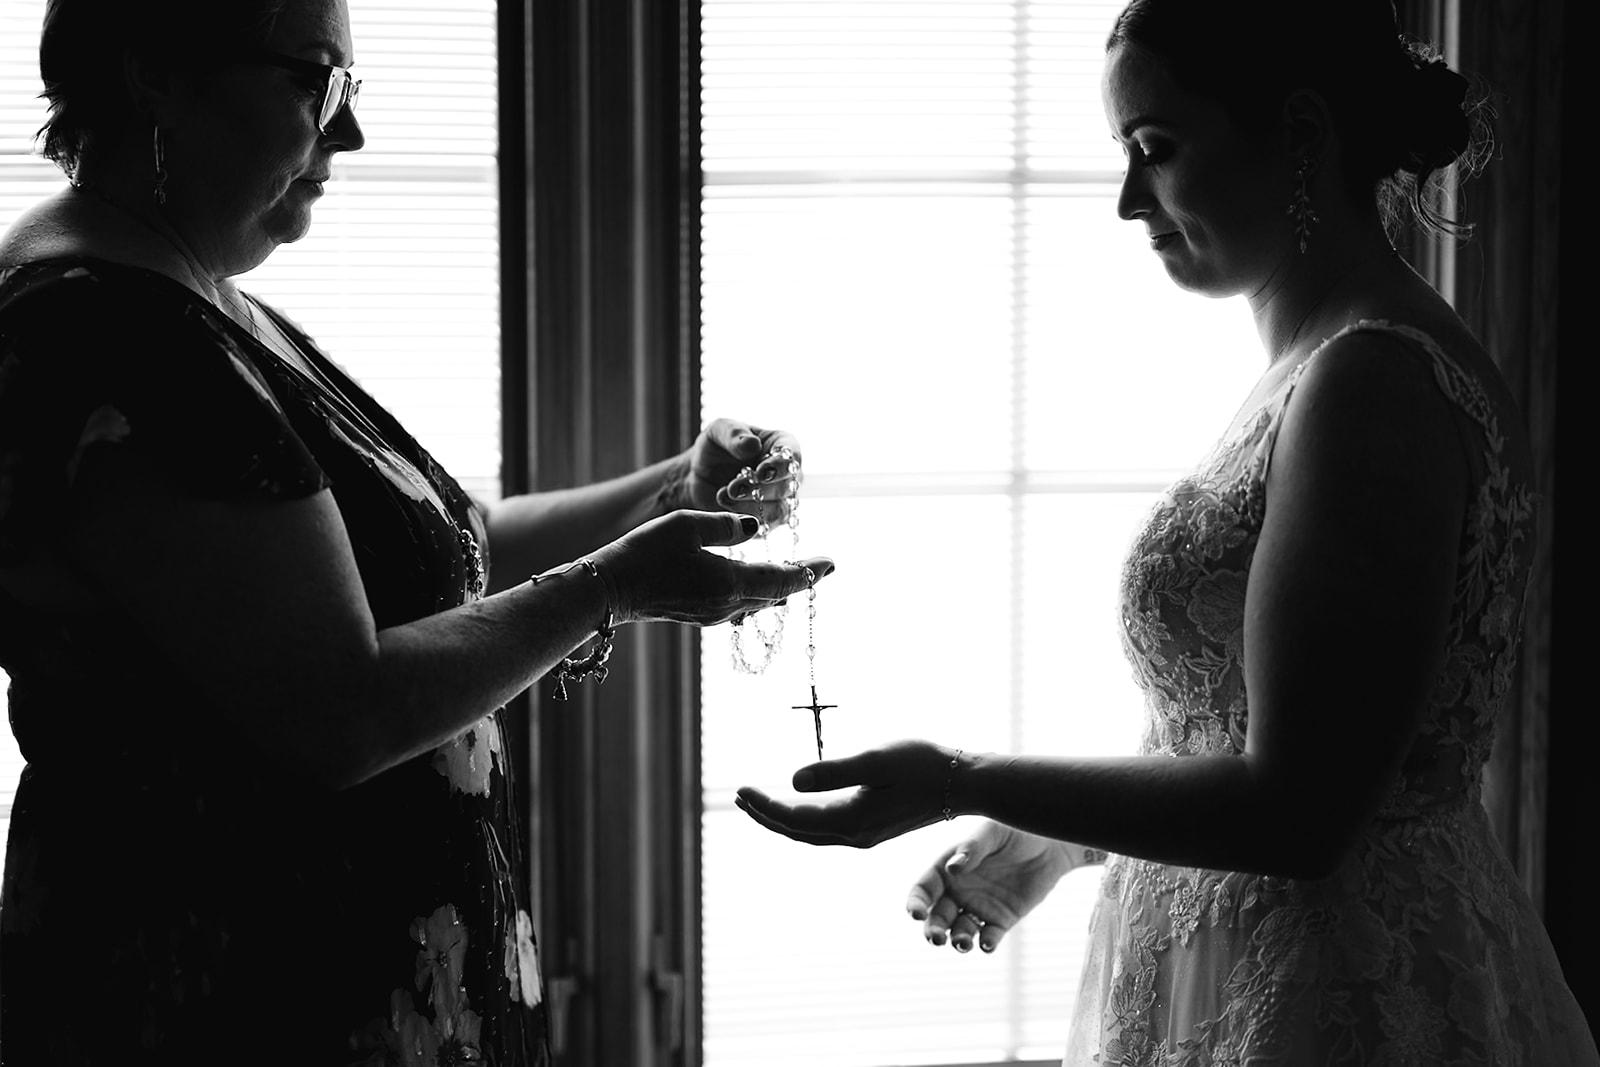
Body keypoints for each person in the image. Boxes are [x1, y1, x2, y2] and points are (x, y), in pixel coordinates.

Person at [736, 1, 1598, 1063]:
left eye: (1156, 148)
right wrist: (1056, 839)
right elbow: (1265, 739)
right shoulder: (1318, 367)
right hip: (1256, 962)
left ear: (1298, 134)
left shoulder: (1369, 383)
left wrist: (961, 773)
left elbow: (1301, 809)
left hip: (1333, 999)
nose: (1127, 200)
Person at [0, 0, 831, 1062]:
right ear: (155, 70)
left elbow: (452, 542)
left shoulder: (199, 296)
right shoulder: (102, 329)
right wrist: (606, 586)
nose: (345, 133)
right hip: (243, 997)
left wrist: (675, 485)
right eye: (314, 82)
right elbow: (335, 709)